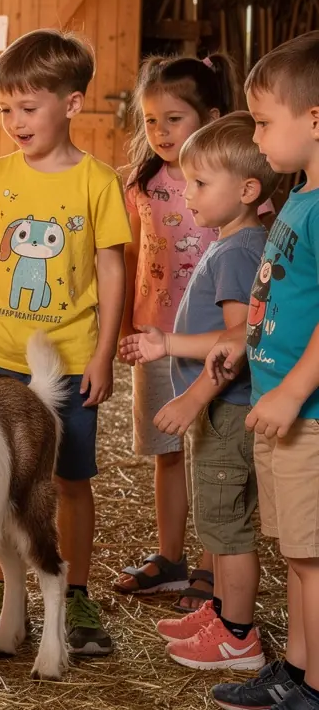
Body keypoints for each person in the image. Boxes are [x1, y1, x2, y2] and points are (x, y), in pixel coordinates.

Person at [0, 29, 131, 657]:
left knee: (70, 479)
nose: (14, 122)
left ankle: (74, 590)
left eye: (28, 108)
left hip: (71, 360)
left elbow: (113, 270)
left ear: (72, 104)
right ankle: (7, 591)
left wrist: (105, 353)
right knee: (4, 479)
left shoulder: (99, 183)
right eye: (5, 109)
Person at [120, 112, 274, 669]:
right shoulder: (234, 241)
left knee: (226, 528)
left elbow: (238, 340)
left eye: (201, 184)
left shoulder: (237, 250)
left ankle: (237, 635)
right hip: (222, 407)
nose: (187, 194)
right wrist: (167, 345)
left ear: (247, 190)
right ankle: (218, 610)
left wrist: (190, 395)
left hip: (225, 407)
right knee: (215, 519)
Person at [202, 32, 319, 710]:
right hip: (287, 411)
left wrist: (289, 391)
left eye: (265, 122)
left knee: (314, 560)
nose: (257, 136)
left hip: (307, 413)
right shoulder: (301, 197)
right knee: (299, 557)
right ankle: (299, 673)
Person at [115, 54, 247, 610]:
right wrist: (124, 321)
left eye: (174, 118)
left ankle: (211, 568)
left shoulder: (233, 183)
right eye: (149, 120)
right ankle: (170, 557)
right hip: (154, 334)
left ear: (211, 118)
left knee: (212, 455)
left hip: (214, 345)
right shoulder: (142, 183)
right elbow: (128, 253)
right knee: (166, 452)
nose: (160, 132)